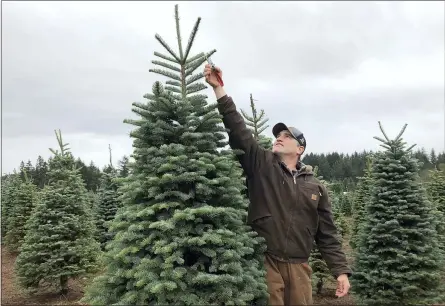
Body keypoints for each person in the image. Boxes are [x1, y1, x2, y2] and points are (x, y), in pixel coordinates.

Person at [204, 64, 352, 305]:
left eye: (286, 136)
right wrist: (219, 89)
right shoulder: (262, 165)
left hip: (300, 266)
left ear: (300, 149)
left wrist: (341, 272)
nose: (279, 138)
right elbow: (239, 132)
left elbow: (327, 234)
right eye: (277, 136)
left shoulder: (315, 187)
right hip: (266, 261)